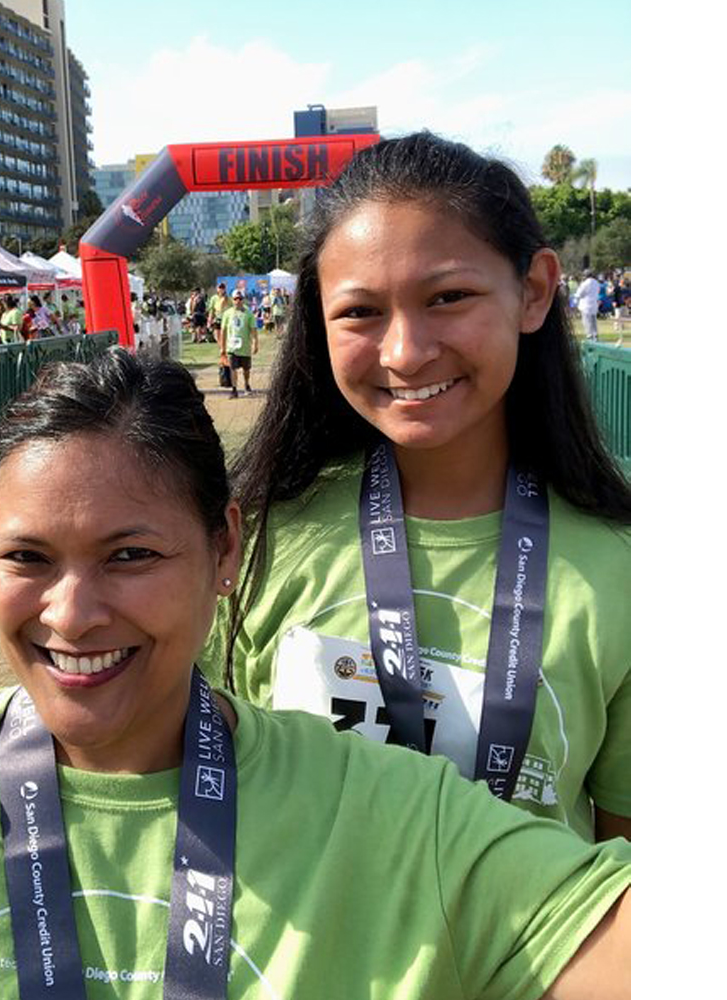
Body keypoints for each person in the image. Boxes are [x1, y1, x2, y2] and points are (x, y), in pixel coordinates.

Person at [0, 348, 631, 999]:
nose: (71, 615)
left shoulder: (386, 810)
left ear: (224, 548)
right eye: (27, 558)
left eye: (131, 554)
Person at [207, 132, 631, 842]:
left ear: (532, 291)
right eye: (360, 312)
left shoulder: (624, 571)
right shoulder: (252, 538)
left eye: (448, 296)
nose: (405, 352)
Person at [217, 287, 258, 399]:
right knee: (233, 368)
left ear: (243, 299)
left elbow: (253, 330)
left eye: (240, 298)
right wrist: (222, 347)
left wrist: (255, 343)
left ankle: (246, 384)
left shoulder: (248, 314)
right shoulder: (227, 314)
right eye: (235, 299)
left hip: (245, 347)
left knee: (246, 369)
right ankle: (234, 389)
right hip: (232, 347)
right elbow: (224, 331)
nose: (238, 301)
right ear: (232, 300)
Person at [575, 269, 602, 342]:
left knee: (586, 321)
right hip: (594, 304)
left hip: (585, 305)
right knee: (593, 321)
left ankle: (589, 336)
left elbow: (579, 294)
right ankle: (595, 336)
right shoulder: (596, 282)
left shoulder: (585, 283)